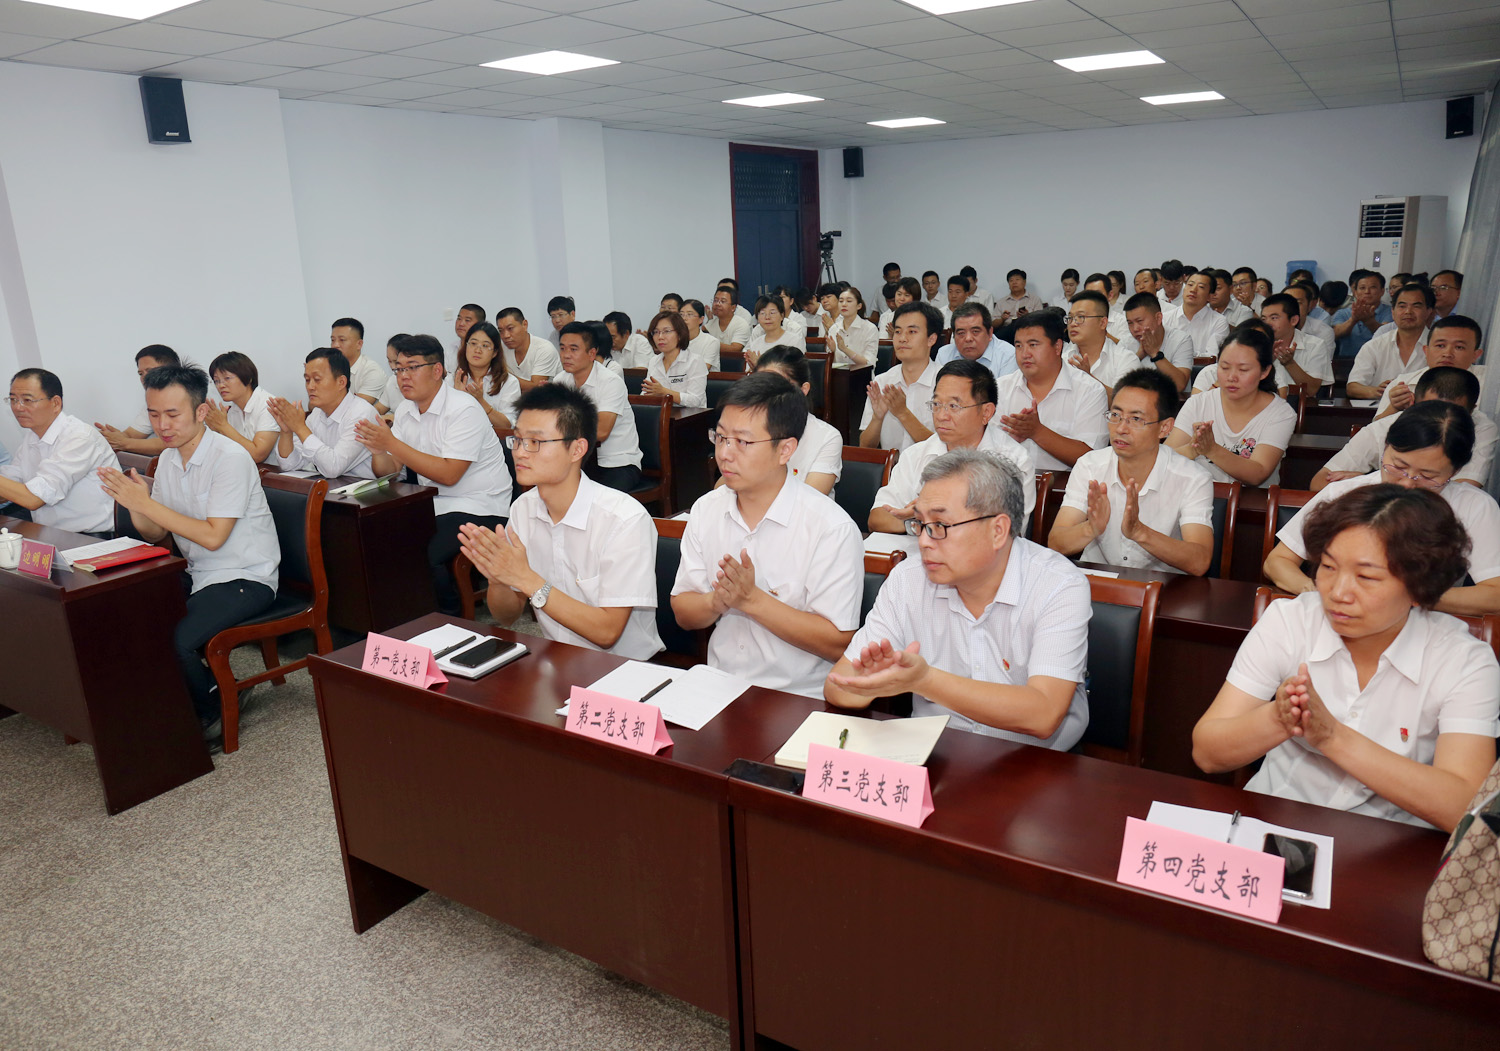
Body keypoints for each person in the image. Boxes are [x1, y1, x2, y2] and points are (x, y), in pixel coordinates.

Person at [1195, 484, 1498, 831]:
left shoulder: (1465, 661)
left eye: (1366, 577)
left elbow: (1464, 808)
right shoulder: (1291, 621)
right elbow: (1207, 753)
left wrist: (1332, 737)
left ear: (1420, 588)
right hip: (1274, 821)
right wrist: (1279, 718)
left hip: (1393, 844)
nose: (1337, 592)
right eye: (1328, 567)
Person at [827, 448, 1090, 749]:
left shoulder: (1058, 586)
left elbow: (1043, 714)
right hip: (936, 753)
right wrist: (869, 681)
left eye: (940, 526)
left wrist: (925, 680)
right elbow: (838, 687)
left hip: (1035, 759)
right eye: (920, 524)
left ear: (998, 530)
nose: (923, 541)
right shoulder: (908, 579)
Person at [96, 365, 279, 749]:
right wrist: (136, 505)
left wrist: (145, 503)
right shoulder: (168, 459)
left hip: (245, 576)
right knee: (128, 612)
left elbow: (213, 537)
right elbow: (157, 534)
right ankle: (201, 693)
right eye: (153, 414)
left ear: (200, 411)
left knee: (178, 640)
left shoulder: (229, 458)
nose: (162, 425)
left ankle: (213, 713)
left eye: (172, 414)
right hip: (199, 573)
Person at [670, 372, 863, 699]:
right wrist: (716, 601)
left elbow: (837, 642)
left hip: (797, 698)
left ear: (785, 450)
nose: (725, 453)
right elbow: (683, 612)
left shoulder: (831, 528)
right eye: (720, 437)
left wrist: (751, 600)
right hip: (718, 687)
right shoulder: (706, 509)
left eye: (742, 442)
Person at [458, 384, 663, 661]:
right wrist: (498, 579)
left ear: (577, 449)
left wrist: (525, 578)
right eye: (517, 440)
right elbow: (507, 616)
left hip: (625, 669)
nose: (519, 452)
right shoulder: (523, 509)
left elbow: (607, 633)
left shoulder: (624, 519)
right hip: (556, 661)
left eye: (535, 442)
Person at [1265, 401, 1500, 616]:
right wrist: (1321, 593)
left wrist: (1405, 597)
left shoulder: (1475, 507)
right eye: (1398, 466)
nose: (1407, 483)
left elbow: (1495, 595)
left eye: (1427, 476)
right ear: (1386, 447)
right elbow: (1278, 561)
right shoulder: (1343, 493)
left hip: (1427, 626)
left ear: (1455, 471)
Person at [355, 334, 511, 614]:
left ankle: (451, 619)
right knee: (377, 535)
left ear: (437, 370)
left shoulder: (463, 408)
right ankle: (405, 617)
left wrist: (392, 443)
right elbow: (390, 470)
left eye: (412, 367)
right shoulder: (406, 410)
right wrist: (378, 450)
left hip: (480, 505)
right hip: (435, 503)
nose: (403, 376)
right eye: (399, 369)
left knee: (426, 552)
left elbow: (450, 475)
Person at [1048, 369, 1214, 575]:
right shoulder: (1089, 466)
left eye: (1136, 419)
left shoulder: (1193, 479)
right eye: (1115, 415)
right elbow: (1056, 542)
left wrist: (1139, 532)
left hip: (1164, 587)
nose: (1120, 428)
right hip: (1099, 582)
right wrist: (1091, 528)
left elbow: (1200, 561)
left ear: (1165, 428)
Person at [870, 359, 1035, 533]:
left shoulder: (1014, 462)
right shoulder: (916, 454)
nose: (941, 416)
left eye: (954, 406)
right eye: (936, 404)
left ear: (986, 412)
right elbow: (877, 517)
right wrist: (917, 524)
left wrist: (929, 518)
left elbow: (1005, 533)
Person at [1313, 367, 1496, 491]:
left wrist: (1369, 484)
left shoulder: (1481, 428)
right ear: (1413, 403)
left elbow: (1462, 490)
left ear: (1471, 411)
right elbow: (1320, 481)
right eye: (1428, 409)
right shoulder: (1387, 425)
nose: (1437, 418)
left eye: (1427, 475)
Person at [1169, 328, 1296, 486]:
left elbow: (1258, 473)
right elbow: (1165, 458)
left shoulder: (1281, 413)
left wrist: (1211, 449)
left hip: (1251, 500)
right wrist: (1192, 449)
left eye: (1243, 370)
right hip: (1195, 494)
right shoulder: (1198, 403)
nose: (1231, 377)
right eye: (1224, 367)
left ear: (1264, 371)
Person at [1, 368, 118, 536]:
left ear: (55, 403)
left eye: (27, 400)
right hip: (51, 534)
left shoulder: (79, 437)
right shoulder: (32, 436)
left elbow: (34, 498)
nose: (18, 407)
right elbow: (10, 482)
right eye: (13, 400)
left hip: (94, 539)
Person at [996, 311, 1108, 472]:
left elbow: (1092, 458)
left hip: (1066, 485)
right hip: (1009, 482)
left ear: (1057, 347)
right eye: (1019, 346)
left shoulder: (1090, 390)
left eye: (1033, 345)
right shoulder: (1001, 388)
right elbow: (985, 450)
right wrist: (1008, 443)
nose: (1024, 354)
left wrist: (1037, 432)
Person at [550, 320, 643, 493]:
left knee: (592, 499)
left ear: (592, 353)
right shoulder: (560, 380)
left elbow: (601, 432)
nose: (566, 355)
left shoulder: (610, 382)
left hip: (617, 463)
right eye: (562, 348)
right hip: (578, 461)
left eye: (573, 349)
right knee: (549, 491)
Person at [270, 348, 381, 480]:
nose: (310, 387)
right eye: (307, 380)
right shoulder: (317, 414)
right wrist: (286, 431)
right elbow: (289, 465)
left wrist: (300, 428)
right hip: (335, 486)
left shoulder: (361, 414)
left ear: (341, 382)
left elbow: (333, 468)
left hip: (370, 489)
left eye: (317, 379)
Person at [752, 346, 841, 495]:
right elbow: (723, 487)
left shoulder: (827, 437)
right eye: (761, 384)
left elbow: (810, 499)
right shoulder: (750, 427)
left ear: (803, 389)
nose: (767, 393)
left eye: (778, 385)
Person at [860, 301, 940, 451]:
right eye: (897, 331)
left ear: (931, 339)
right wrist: (877, 418)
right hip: (891, 465)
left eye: (912, 332)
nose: (902, 338)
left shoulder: (945, 383)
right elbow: (865, 447)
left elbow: (944, 448)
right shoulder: (882, 381)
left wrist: (903, 413)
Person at [1375, 315, 1485, 419]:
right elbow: (1375, 428)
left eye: (1459, 347)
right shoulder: (1402, 384)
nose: (1447, 354)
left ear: (1476, 355)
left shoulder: (1488, 385)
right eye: (1440, 345)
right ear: (1426, 351)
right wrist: (1394, 408)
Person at [1347, 284, 1433, 400]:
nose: (1408, 311)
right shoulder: (1374, 346)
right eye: (1402, 306)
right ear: (1393, 312)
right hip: (1379, 409)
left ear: (1428, 312)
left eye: (1416, 306)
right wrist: (1379, 391)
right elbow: (1353, 387)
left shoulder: (1439, 346)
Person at [95, 344, 177, 456]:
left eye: (150, 371)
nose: (144, 378)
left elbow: (173, 442)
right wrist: (111, 437)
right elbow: (131, 435)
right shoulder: (153, 402)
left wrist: (124, 443)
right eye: (141, 374)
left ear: (170, 370)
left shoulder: (188, 397)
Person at [205, 352, 278, 465]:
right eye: (217, 381)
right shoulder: (233, 410)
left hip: (277, 472)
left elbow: (258, 455)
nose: (221, 385)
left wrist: (223, 426)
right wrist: (216, 431)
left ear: (248, 378)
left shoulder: (268, 404)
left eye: (227, 378)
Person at [1259, 292, 1332, 399]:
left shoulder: (1315, 345)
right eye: (1263, 319)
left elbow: (1311, 391)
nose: (1267, 324)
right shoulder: (1255, 343)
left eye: (1274, 318)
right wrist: (1268, 358)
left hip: (1301, 406)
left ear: (1293, 320)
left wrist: (1289, 363)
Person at [1065, 290, 1138, 398]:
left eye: (1080, 317)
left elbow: (1125, 402)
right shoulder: (1063, 359)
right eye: (1070, 318)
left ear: (1103, 323)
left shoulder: (1126, 359)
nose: (1073, 323)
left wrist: (1088, 378)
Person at [452, 320, 521, 431]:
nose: (477, 350)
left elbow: (507, 425)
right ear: (465, 346)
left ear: (494, 353)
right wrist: (458, 398)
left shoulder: (508, 382)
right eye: (473, 343)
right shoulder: (453, 379)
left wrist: (480, 401)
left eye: (485, 346)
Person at [1118, 291, 1192, 391]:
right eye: (1130, 323)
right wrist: (1139, 356)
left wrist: (1154, 353)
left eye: (1139, 321)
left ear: (1158, 318)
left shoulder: (1181, 340)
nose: (1135, 328)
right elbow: (1117, 385)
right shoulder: (1125, 343)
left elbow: (1179, 385)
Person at [644, 310, 709, 408]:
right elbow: (647, 393)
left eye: (666, 331)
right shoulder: (654, 361)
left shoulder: (695, 361)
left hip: (691, 415)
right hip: (661, 414)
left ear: (680, 334)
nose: (660, 337)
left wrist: (664, 392)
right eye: (656, 332)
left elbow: (696, 401)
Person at [935, 302, 1016, 378]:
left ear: (990, 333)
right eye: (961, 333)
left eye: (975, 331)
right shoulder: (944, 354)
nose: (968, 338)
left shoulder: (1008, 355)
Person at [496, 307, 561, 392]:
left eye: (510, 328)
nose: (505, 335)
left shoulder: (544, 349)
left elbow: (536, 388)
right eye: (501, 331)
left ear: (524, 325)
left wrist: (503, 376)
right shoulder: (501, 348)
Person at [1332, 270, 1393, 359]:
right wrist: (1353, 319)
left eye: (1373, 287)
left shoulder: (1391, 311)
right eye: (1362, 288)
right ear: (1355, 292)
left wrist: (1369, 321)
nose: (1367, 291)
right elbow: (1335, 334)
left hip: (1379, 361)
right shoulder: (1343, 313)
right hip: (1346, 361)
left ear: (1382, 291)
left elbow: (1388, 335)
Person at [330, 317, 387, 405]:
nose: (335, 345)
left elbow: (356, 408)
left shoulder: (372, 372)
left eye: (342, 340)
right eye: (333, 340)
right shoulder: (330, 369)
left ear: (359, 344)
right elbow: (313, 404)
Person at [1179, 271, 1230, 360]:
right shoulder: (1166, 318)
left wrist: (1182, 353)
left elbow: (1212, 357)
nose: (1193, 290)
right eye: (1190, 285)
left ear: (1210, 296)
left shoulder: (1219, 321)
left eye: (1201, 287)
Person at [744, 295, 806, 367]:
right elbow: (749, 371)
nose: (767, 317)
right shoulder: (755, 344)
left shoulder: (795, 341)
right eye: (762, 313)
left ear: (782, 315)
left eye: (772, 313)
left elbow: (795, 370)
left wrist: (760, 366)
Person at [827, 286, 879, 369]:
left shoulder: (870, 328)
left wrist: (845, 349)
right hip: (838, 375)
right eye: (841, 301)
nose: (844, 304)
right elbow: (829, 365)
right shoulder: (834, 329)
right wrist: (832, 352)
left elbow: (868, 363)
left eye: (849, 301)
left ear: (859, 306)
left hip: (861, 374)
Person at [706, 286, 751, 359]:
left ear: (733, 308)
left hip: (734, 363)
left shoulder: (741, 324)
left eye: (723, 301)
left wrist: (710, 344)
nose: (717, 304)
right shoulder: (710, 324)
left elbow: (735, 349)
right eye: (715, 300)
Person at [679, 299, 721, 370]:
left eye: (690, 314)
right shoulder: (674, 340)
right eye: (681, 314)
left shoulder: (711, 342)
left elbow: (703, 369)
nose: (684, 318)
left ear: (701, 319)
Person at [375, 334, 407, 418]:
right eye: (389, 361)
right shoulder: (392, 380)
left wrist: (392, 418)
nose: (392, 367)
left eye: (396, 362)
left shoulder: (420, 382)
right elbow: (379, 408)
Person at [452, 303, 485, 370]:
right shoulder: (452, 348)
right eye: (459, 319)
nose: (461, 324)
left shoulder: (483, 350)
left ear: (479, 324)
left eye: (467, 320)